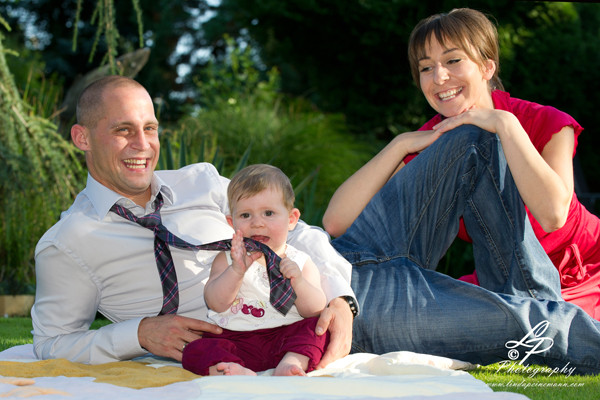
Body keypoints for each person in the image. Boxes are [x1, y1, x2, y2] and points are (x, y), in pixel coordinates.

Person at [322, 8, 600, 374]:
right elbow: (337, 223)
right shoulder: (439, 142)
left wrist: (503, 124)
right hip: (503, 275)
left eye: (453, 60)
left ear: (487, 67)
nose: (439, 77)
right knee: (455, 316)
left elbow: (552, 215)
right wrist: (400, 144)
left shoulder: (543, 121)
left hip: (587, 273)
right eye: (425, 67)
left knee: (532, 328)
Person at [31, 75, 355, 366]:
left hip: (313, 309)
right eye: (123, 130)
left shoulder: (201, 182)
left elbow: (297, 230)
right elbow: (51, 343)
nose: (142, 145)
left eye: (150, 128)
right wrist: (138, 334)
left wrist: (341, 299)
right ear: (82, 138)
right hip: (234, 348)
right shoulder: (68, 242)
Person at [181, 164, 328, 376]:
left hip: (285, 336)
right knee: (195, 350)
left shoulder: (300, 261)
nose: (257, 223)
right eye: (246, 216)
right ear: (232, 223)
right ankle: (233, 369)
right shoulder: (228, 259)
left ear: (291, 219)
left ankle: (291, 363)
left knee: (317, 328)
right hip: (236, 338)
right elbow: (215, 302)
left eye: (268, 213)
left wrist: (298, 281)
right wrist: (236, 271)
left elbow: (314, 309)